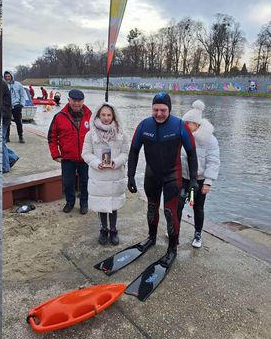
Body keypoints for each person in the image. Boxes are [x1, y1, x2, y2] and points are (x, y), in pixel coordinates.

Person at [127, 92, 198, 266]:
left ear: (169, 109)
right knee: (151, 208)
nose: (159, 114)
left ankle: (172, 248)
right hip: (151, 175)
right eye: (156, 110)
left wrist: (194, 180)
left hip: (172, 176)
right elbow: (134, 151)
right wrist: (130, 176)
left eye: (163, 110)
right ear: (152, 109)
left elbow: (192, 154)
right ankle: (151, 238)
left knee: (169, 212)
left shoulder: (180, 126)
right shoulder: (144, 125)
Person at [82, 103, 129, 245]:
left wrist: (116, 162)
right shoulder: (91, 134)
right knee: (101, 204)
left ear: (113, 115)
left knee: (113, 205)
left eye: (109, 115)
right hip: (99, 176)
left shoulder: (121, 134)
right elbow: (86, 153)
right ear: (98, 115)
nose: (106, 118)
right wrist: (97, 163)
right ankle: (103, 229)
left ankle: (113, 230)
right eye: (103, 115)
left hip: (115, 175)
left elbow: (125, 153)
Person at [178, 100, 220, 248]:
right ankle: (175, 231)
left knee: (198, 207)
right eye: (185, 123)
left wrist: (208, 181)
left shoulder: (210, 140)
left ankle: (197, 234)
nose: (185, 125)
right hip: (183, 178)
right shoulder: (182, 137)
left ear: (197, 124)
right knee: (179, 205)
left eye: (188, 123)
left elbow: (213, 161)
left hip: (200, 180)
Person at [48, 89, 92, 214]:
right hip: (67, 158)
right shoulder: (59, 116)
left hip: (86, 157)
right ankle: (70, 202)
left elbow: (98, 136)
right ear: (68, 100)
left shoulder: (91, 116)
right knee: (68, 183)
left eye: (79, 101)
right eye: (74, 101)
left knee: (86, 182)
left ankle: (84, 203)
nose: (77, 104)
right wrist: (55, 154)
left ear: (83, 101)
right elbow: (51, 137)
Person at [3, 71, 26, 143]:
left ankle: (21, 136)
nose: (7, 78)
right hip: (6, 106)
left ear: (11, 76)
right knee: (7, 122)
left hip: (16, 106)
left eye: (8, 76)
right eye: (6, 76)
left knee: (18, 122)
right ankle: (7, 137)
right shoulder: (3, 85)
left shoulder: (18, 85)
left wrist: (21, 104)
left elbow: (22, 95)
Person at [2, 81, 19, 173]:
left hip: (3, 116)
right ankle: (12, 157)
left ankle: (5, 166)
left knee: (1, 141)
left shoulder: (0, 84)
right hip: (3, 115)